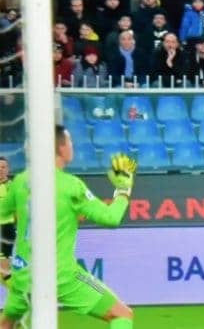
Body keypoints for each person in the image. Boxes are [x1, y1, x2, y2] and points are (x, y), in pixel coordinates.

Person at [0, 126, 137, 329]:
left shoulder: (21, 181)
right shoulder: (72, 185)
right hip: (60, 275)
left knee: (7, 322)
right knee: (122, 315)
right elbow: (111, 218)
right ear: (61, 148)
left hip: (23, 276)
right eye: (70, 142)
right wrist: (123, 188)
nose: (72, 146)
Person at [0, 156, 12, 283]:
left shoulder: (13, 188)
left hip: (5, 231)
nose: (1, 170)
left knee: (3, 271)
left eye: (3, 167)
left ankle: (22, 296)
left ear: (8, 170)